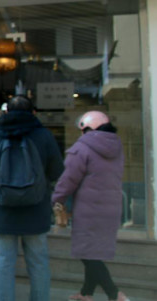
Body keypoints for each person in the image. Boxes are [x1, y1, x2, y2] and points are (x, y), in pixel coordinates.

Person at [0, 96, 64, 301]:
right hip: (36, 206)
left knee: (4, 262)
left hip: (2, 208)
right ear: (33, 113)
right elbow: (57, 169)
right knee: (39, 262)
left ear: (6, 113)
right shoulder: (44, 135)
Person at [52, 111, 130, 301]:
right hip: (111, 207)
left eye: (83, 130)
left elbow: (69, 178)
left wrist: (57, 198)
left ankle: (115, 294)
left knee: (88, 254)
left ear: (88, 128)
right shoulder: (116, 146)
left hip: (89, 209)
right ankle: (86, 293)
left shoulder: (82, 148)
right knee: (93, 250)